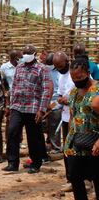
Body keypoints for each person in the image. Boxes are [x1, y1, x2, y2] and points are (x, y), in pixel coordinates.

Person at [3, 44, 52, 174]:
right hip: (17, 106)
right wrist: (9, 105)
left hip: (33, 108)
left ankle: (35, 163)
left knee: (33, 136)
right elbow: (14, 87)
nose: (26, 55)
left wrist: (41, 110)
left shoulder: (42, 69)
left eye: (28, 53)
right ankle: (12, 162)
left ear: (35, 54)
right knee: (12, 132)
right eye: (24, 53)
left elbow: (46, 90)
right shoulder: (19, 67)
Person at [64, 57, 99, 200]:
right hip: (75, 145)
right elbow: (72, 117)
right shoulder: (74, 92)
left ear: (88, 72)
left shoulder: (97, 92)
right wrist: (67, 142)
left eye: (80, 77)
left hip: (94, 147)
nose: (76, 80)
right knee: (75, 179)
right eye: (73, 78)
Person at [53, 51, 74, 192]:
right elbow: (61, 96)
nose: (60, 69)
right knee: (67, 151)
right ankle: (70, 179)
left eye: (61, 66)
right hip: (66, 118)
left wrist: (67, 100)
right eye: (57, 67)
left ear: (67, 61)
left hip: (79, 119)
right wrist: (56, 104)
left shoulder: (77, 73)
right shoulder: (61, 76)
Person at [0, 50, 23, 145]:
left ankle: (19, 141)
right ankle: (8, 142)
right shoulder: (4, 67)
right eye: (20, 57)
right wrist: (6, 94)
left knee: (21, 119)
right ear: (15, 58)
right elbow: (2, 82)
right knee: (10, 120)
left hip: (22, 96)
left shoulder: (22, 66)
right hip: (10, 97)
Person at [44, 53, 62, 153]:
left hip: (55, 102)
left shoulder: (59, 72)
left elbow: (59, 90)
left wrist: (52, 105)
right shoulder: (45, 70)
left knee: (54, 124)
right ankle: (50, 143)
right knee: (46, 125)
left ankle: (56, 147)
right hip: (46, 101)